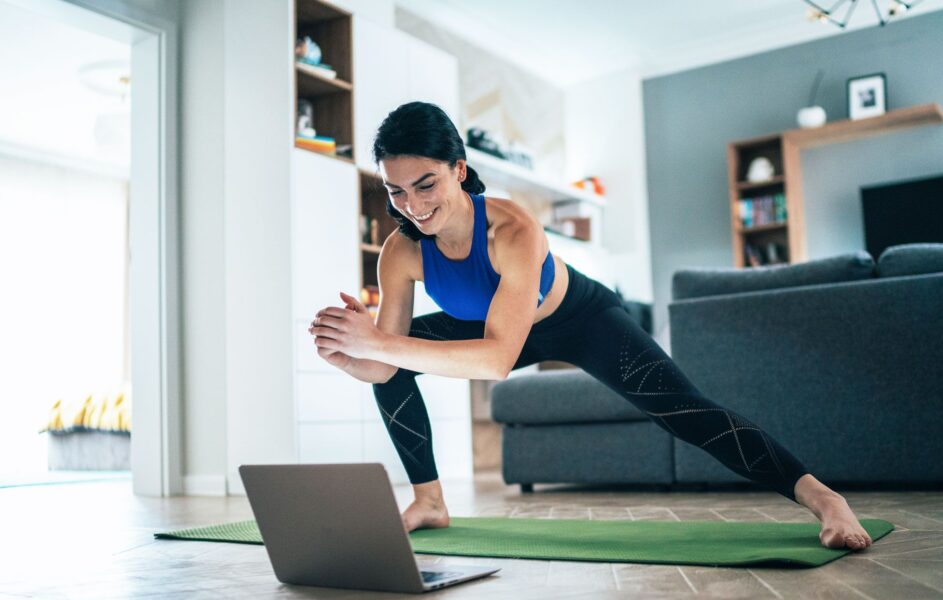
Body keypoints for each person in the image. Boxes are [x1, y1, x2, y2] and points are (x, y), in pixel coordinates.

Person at [308, 102, 872, 551]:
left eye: (425, 184)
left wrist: (381, 343)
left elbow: (498, 359)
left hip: (579, 319)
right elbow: (387, 364)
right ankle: (429, 501)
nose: (410, 204)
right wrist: (354, 354)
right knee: (393, 373)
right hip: (490, 328)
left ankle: (825, 500)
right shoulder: (399, 252)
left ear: (459, 170)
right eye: (395, 190)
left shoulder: (512, 230)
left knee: (685, 410)